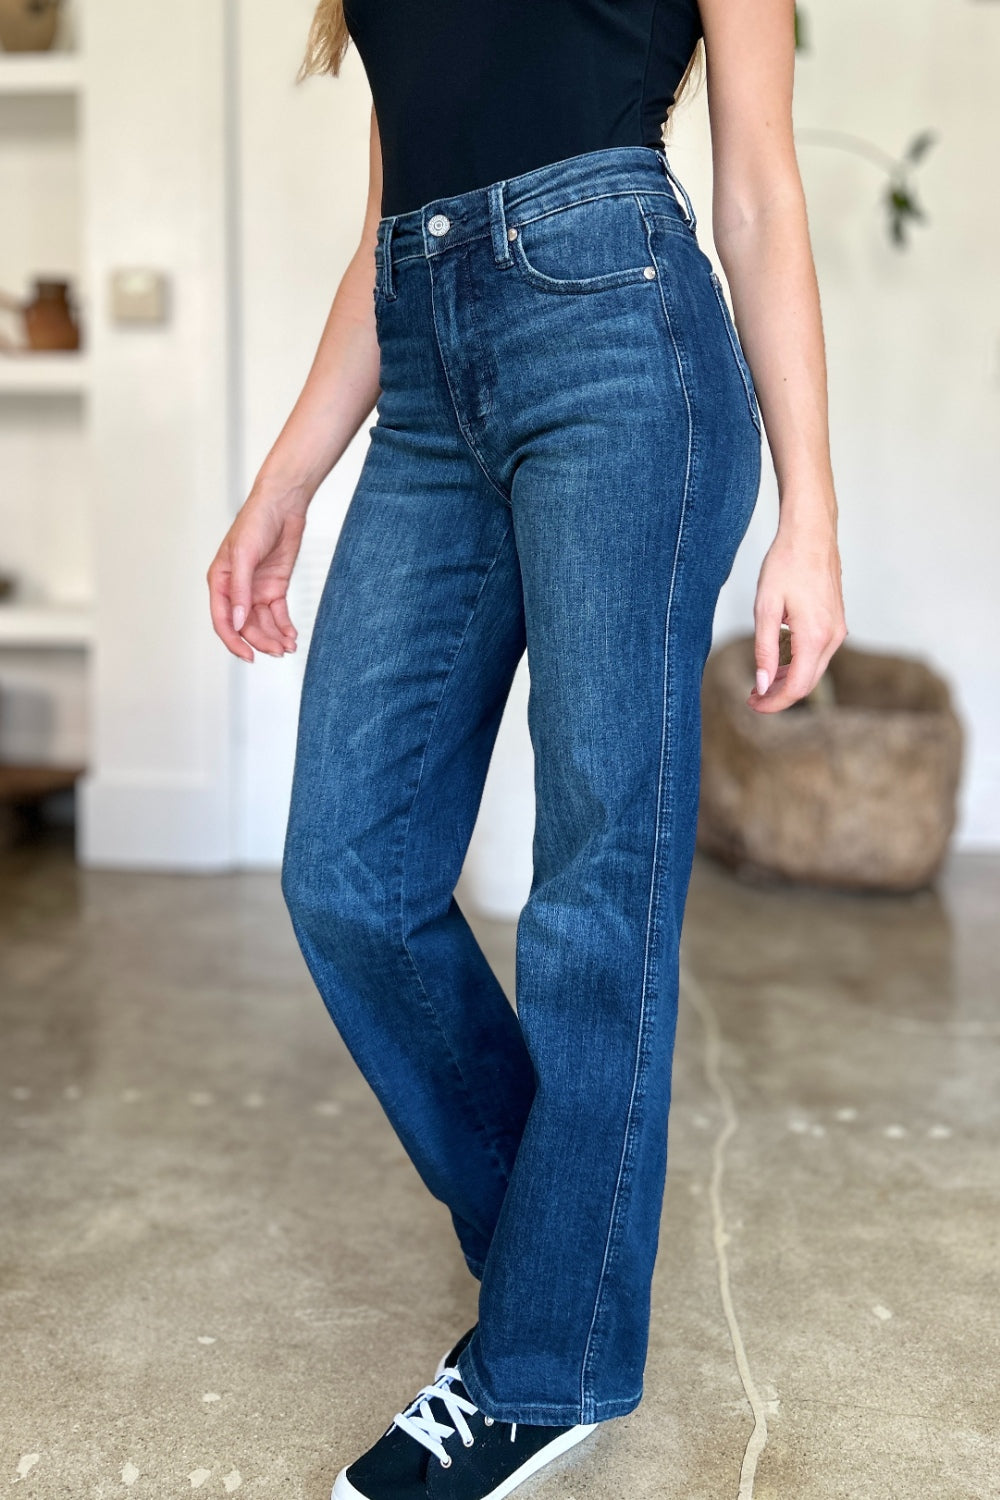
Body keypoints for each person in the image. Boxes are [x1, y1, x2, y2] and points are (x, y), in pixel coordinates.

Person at [207, 1, 847, 1495]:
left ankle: (547, 1361)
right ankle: (565, 1264)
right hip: (427, 369)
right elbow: (391, 233)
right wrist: (282, 483)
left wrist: (810, 520)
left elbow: (756, 185)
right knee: (349, 875)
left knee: (594, 886)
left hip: (621, 344)